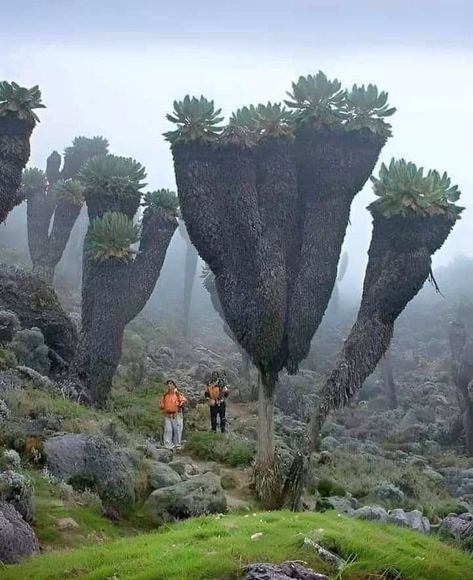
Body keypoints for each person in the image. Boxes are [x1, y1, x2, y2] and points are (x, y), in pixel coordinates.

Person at [159, 380, 187, 449]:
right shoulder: (165, 395)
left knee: (177, 430)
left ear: (174, 385)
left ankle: (177, 444)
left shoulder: (178, 394)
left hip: (176, 415)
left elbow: (183, 400)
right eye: (168, 384)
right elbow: (161, 403)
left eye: (171, 384)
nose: (169, 385)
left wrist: (180, 404)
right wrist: (162, 405)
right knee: (168, 430)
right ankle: (168, 444)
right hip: (167, 415)